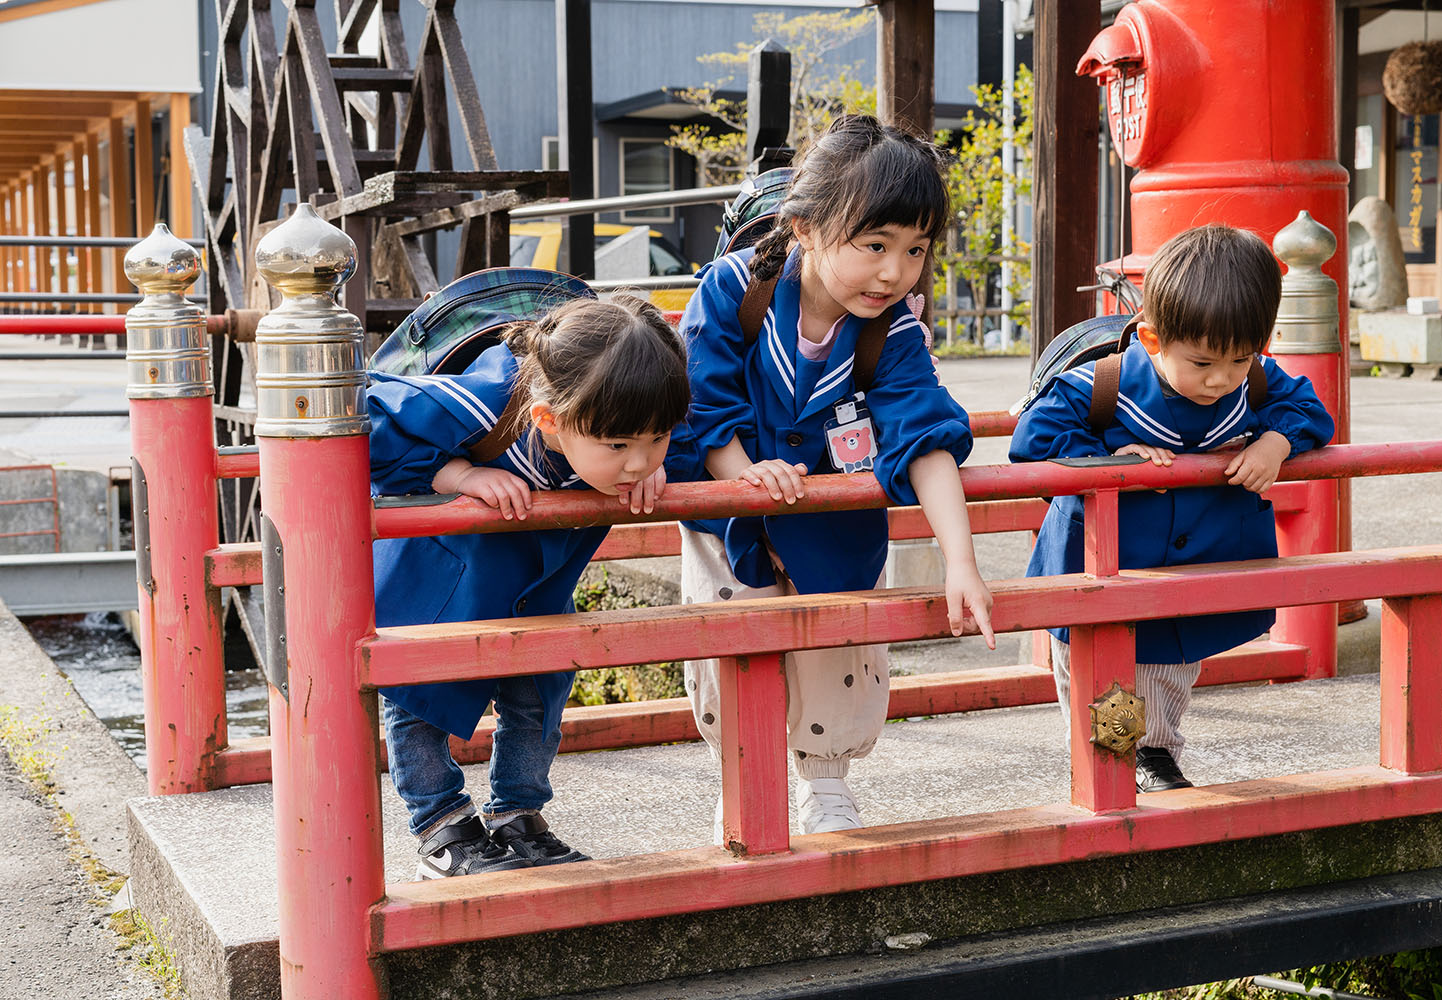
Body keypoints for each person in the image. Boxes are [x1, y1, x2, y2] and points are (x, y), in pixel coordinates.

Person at [675, 114, 996, 839]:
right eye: (875, 245)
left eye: (915, 250)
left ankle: (825, 781)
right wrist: (742, 474)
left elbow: (926, 436)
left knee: (840, 643)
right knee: (730, 639)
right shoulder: (737, 290)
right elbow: (702, 396)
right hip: (730, 505)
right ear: (806, 228)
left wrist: (962, 561)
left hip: (833, 514)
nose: (895, 272)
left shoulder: (893, 329)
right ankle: (743, 778)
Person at [369, 295, 690, 878]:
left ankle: (518, 813)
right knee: (419, 699)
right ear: (549, 421)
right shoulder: (488, 401)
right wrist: (456, 473)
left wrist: (663, 464)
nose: (637, 462)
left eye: (657, 439)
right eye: (619, 446)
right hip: (444, 579)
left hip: (538, 583)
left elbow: (688, 441)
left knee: (540, 692)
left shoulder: (627, 426)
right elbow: (366, 414)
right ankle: (440, 825)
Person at [1009, 224, 1336, 792]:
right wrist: (1110, 455)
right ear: (1155, 340)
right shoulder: (1102, 385)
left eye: (1240, 359)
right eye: (1204, 363)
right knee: (1099, 675)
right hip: (1100, 563)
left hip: (1193, 566)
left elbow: (1309, 408)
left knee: (1166, 671)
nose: (1221, 380)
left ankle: (1152, 754)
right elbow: (1032, 441)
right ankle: (1111, 767)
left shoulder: (1253, 383)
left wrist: (1276, 442)